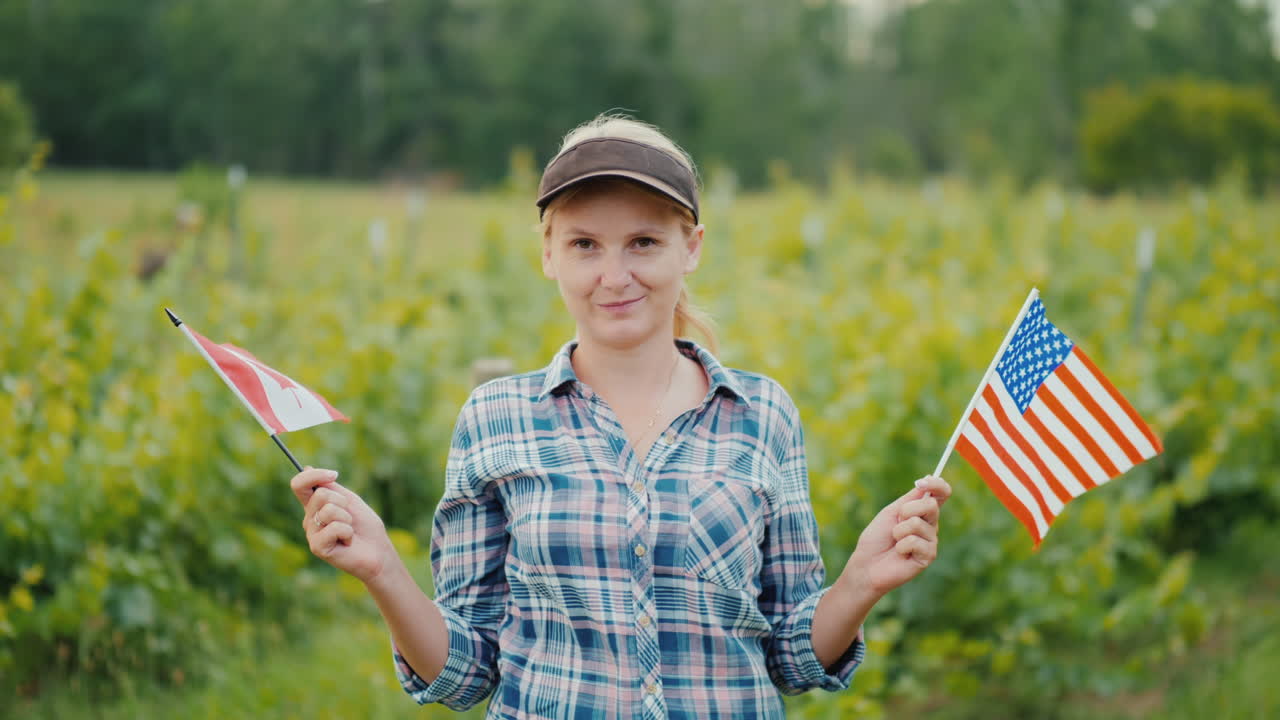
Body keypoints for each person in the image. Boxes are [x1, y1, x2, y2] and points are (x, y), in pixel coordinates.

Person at [289, 113, 952, 719]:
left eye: (642, 242)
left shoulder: (762, 413)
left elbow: (790, 658)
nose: (614, 275)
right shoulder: (496, 418)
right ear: (548, 254)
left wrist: (861, 582)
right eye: (585, 245)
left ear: (689, 248)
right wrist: (383, 570)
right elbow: (467, 672)